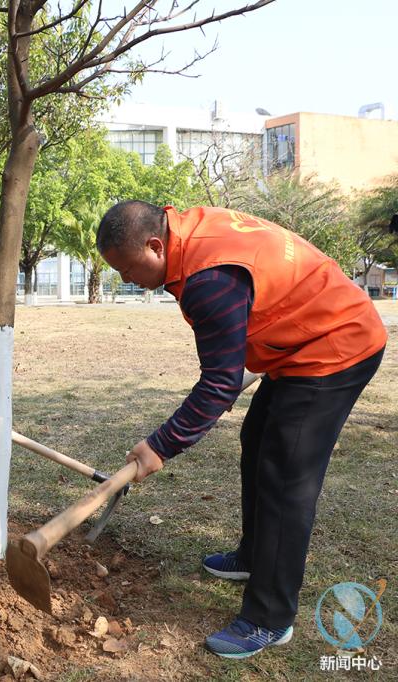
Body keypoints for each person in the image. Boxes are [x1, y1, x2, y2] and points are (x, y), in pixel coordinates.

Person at [97, 200, 386, 659]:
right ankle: (255, 557)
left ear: (155, 245)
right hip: (298, 341)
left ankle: (269, 618)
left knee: (286, 477)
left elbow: (219, 383)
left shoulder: (208, 279)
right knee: (257, 439)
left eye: (127, 268)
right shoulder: (191, 231)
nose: (127, 279)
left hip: (334, 345)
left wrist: (159, 446)